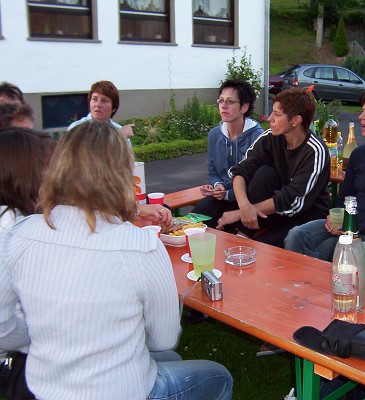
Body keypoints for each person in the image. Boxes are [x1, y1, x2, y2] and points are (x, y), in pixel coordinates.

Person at [0, 121, 233, 399]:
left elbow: (3, 327)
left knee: (171, 360)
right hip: (125, 390)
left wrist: (48, 339)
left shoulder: (18, 235)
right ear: (122, 174)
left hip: (46, 389)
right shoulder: (142, 245)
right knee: (219, 376)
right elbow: (164, 338)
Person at [284, 89, 365, 261]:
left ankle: (314, 275)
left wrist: (357, 227)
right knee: (296, 235)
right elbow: (345, 195)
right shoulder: (359, 154)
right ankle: (299, 275)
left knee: (327, 249)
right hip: (349, 222)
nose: (361, 117)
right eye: (362, 111)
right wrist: (335, 217)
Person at [216, 88, 330, 248]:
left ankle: (243, 237)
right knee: (264, 173)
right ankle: (241, 235)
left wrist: (239, 213)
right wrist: (244, 207)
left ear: (296, 120)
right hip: (272, 211)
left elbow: (293, 201)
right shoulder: (271, 137)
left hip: (305, 216)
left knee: (262, 248)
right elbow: (240, 171)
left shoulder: (315, 150)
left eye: (277, 114)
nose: (270, 118)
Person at [0, 127, 56, 399]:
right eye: (49, 166)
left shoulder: (21, 217)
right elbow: (2, 327)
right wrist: (45, 336)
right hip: (23, 365)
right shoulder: (10, 233)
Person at [192, 79, 263, 227]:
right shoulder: (214, 135)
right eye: (221, 100)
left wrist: (228, 194)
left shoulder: (258, 137)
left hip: (247, 199)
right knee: (197, 216)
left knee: (228, 226)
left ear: (244, 107)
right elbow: (213, 172)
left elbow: (258, 180)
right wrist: (217, 186)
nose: (223, 106)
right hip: (222, 196)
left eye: (230, 102)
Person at [67, 80, 135, 140]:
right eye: (94, 99)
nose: (97, 105)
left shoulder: (118, 129)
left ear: (113, 108)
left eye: (104, 101)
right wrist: (119, 137)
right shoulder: (77, 128)